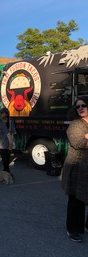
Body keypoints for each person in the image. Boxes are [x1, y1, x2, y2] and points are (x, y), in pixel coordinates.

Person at [61, 96, 88, 243]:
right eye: (77, 107)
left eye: (84, 105)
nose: (81, 108)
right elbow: (79, 142)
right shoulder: (76, 125)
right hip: (77, 168)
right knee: (76, 200)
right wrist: (84, 138)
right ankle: (73, 229)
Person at [0, 107, 17, 173]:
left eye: (2, 113)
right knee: (4, 160)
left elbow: (12, 134)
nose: (1, 114)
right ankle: (7, 173)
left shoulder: (10, 122)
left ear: (6, 114)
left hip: (8, 144)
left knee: (7, 160)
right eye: (0, 113)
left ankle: (6, 173)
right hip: (0, 145)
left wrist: (11, 145)